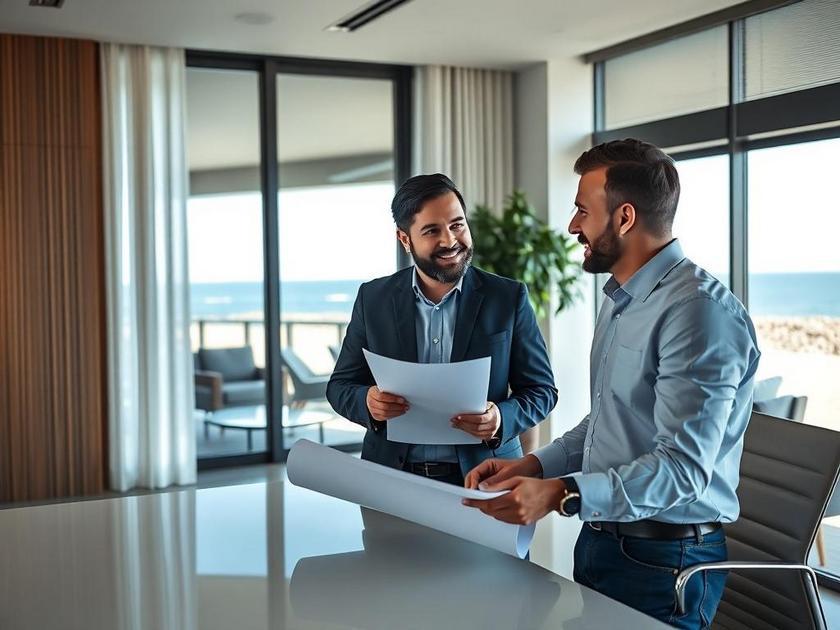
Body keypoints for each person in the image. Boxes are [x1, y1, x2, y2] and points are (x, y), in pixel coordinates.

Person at [463, 139, 760, 629]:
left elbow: (683, 470)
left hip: (666, 562)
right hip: (604, 541)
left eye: (582, 210)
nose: (572, 225)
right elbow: (609, 417)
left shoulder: (698, 314)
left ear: (624, 218)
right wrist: (534, 465)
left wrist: (559, 493)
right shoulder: (622, 298)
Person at [327, 173, 558, 486]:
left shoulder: (508, 297)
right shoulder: (373, 299)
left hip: (487, 478)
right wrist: (367, 401)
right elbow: (340, 386)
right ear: (405, 239)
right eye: (432, 230)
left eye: (457, 225)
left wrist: (501, 418)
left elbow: (542, 391)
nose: (449, 241)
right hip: (390, 479)